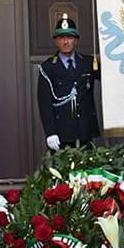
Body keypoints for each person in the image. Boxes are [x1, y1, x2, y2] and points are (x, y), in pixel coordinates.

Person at [37, 15, 100, 150]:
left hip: (85, 131)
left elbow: (110, 78)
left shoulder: (89, 63)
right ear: (55, 41)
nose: (66, 42)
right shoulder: (47, 67)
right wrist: (50, 132)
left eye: (70, 37)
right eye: (61, 38)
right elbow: (45, 104)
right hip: (61, 134)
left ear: (76, 40)